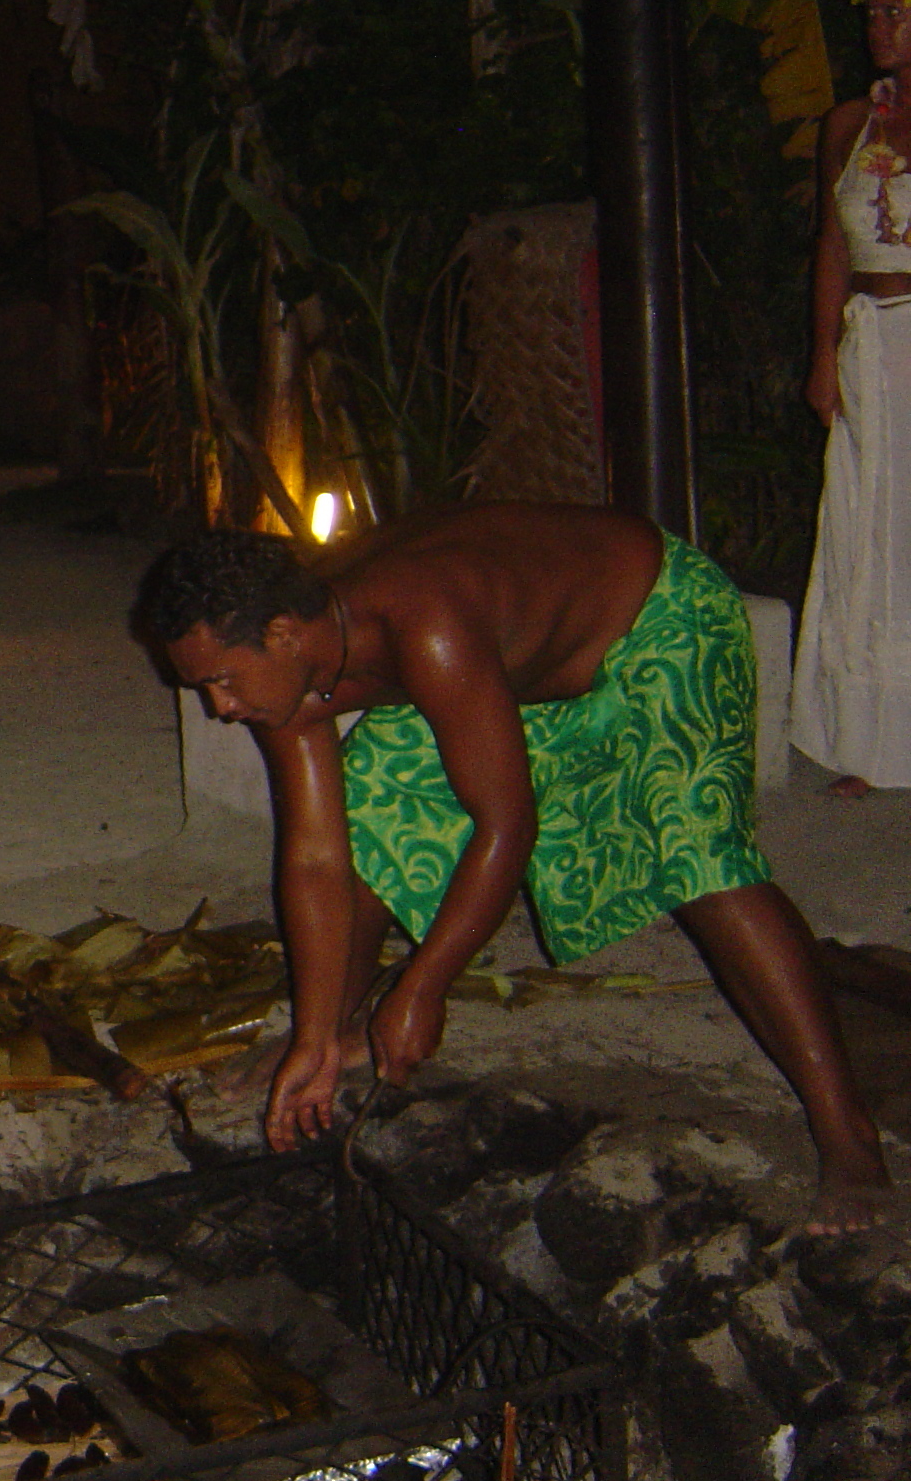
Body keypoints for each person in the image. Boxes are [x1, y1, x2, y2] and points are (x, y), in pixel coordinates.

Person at [139, 506, 893, 1233]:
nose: (219, 708)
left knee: (696, 849)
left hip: (654, 621)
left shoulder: (424, 625)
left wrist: (424, 984)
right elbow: (314, 856)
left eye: (225, 682)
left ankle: (847, 1133)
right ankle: (336, 1035)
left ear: (282, 634)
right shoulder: (291, 661)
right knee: (375, 793)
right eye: (204, 687)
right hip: (515, 670)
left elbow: (507, 826)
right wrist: (309, 1028)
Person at [796, 0, 911, 797]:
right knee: (866, 533)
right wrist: (822, 358)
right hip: (867, 342)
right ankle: (870, 743)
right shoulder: (846, 124)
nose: (881, 27)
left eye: (897, 12)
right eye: (873, 13)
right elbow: (832, 247)